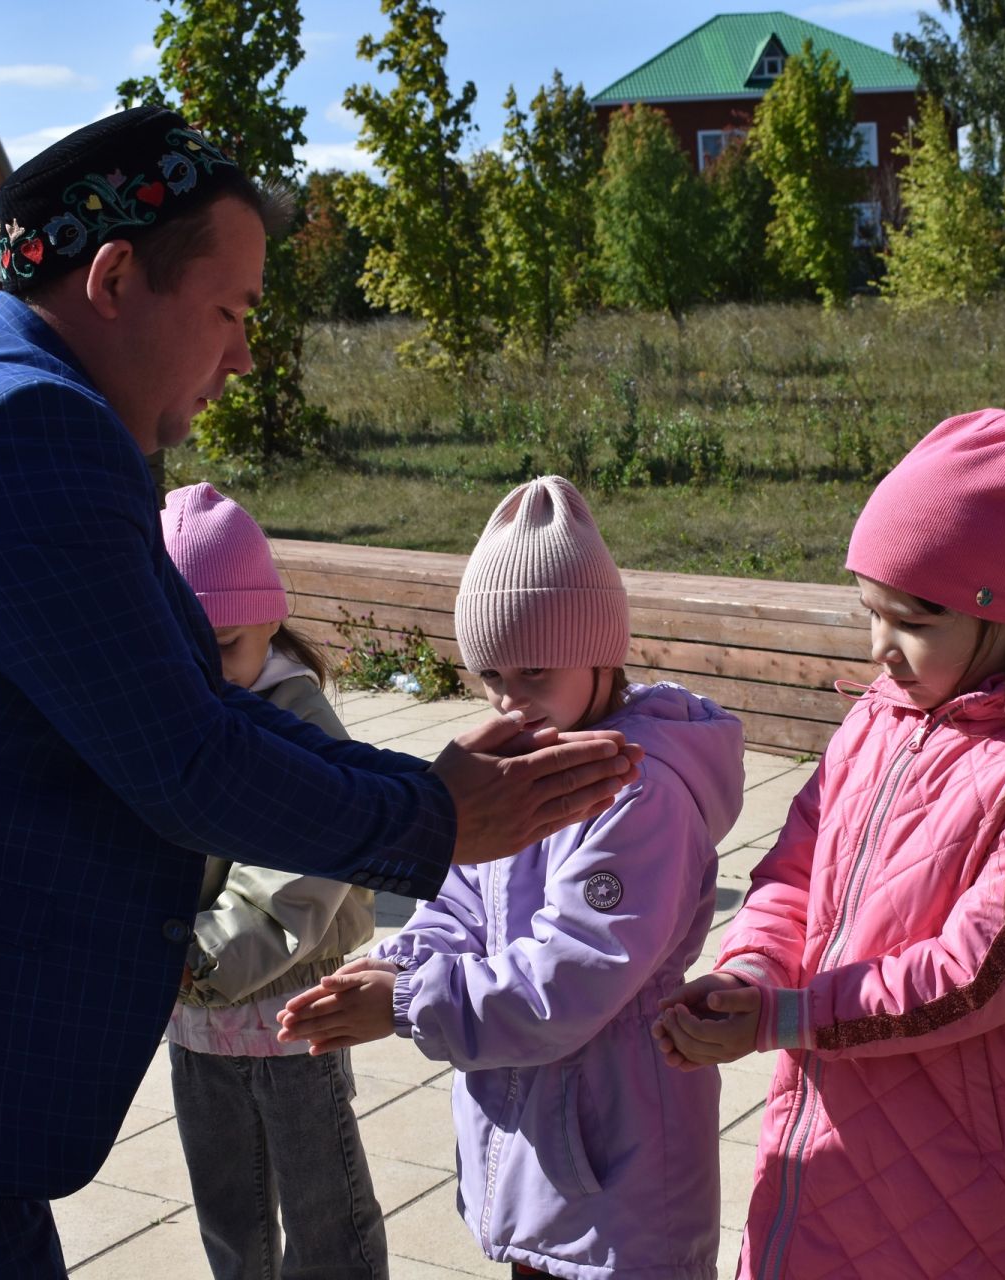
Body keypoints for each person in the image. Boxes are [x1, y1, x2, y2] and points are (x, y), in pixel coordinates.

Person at [0, 107, 639, 1279]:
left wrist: (427, 791)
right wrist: (438, 819)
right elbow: (186, 765)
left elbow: (193, 710)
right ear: (113, 276)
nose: (247, 354)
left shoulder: (21, 403)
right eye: (233, 310)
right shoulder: (25, 429)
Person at [652, 408, 1005, 1279]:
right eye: (871, 611)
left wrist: (787, 1017)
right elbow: (794, 870)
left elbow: (976, 973)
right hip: (829, 1144)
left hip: (970, 1188)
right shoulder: (880, 715)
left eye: (914, 620)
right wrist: (750, 975)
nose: (881, 648)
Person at [279, 475, 744, 1280]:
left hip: (618, 1156)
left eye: (534, 674)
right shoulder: (525, 764)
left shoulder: (639, 795)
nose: (511, 702)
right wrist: (399, 961)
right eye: (489, 676)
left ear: (602, 656)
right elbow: (462, 893)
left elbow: (570, 981)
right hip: (541, 1137)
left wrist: (402, 1005)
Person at [159, 482, 386, 1280]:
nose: (204, 672)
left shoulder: (296, 721)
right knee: (228, 1208)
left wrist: (191, 956)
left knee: (324, 1211)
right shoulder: (167, 713)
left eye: (223, 646)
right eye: (178, 646)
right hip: (192, 1013)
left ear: (268, 624)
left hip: (286, 1004)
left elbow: (296, 872)